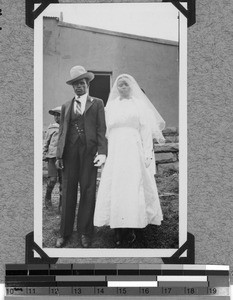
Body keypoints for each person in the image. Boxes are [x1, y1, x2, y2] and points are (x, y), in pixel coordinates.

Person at [94, 74, 166, 246]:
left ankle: (132, 226)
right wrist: (104, 153)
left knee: (133, 186)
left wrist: (148, 153)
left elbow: (145, 131)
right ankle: (118, 229)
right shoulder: (110, 107)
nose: (123, 87)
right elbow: (106, 133)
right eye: (120, 85)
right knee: (117, 186)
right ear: (116, 88)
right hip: (116, 151)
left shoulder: (139, 105)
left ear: (131, 86)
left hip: (133, 150)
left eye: (126, 84)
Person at [55, 65, 107, 248]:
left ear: (88, 84)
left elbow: (102, 129)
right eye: (76, 84)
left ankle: (85, 232)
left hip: (89, 154)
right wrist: (59, 155)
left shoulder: (97, 103)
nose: (79, 86)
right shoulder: (66, 106)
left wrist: (102, 152)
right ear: (72, 87)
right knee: (68, 191)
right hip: (69, 154)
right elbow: (62, 132)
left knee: (88, 191)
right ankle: (64, 232)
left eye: (82, 83)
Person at [43, 106, 62, 212]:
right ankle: (48, 198)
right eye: (55, 115)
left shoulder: (67, 128)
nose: (56, 117)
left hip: (64, 158)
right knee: (52, 180)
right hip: (52, 157)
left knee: (63, 181)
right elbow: (46, 143)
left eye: (59, 115)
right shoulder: (51, 129)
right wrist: (44, 154)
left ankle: (62, 204)